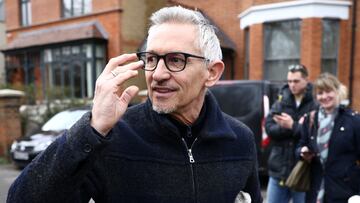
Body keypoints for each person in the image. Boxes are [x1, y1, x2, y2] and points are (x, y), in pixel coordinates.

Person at [7, 6, 262, 203]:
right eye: (151, 59)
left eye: (175, 60)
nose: (157, 73)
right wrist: (91, 128)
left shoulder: (239, 139)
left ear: (212, 73)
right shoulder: (112, 136)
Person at [298, 73, 360, 203]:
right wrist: (302, 151)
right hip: (315, 190)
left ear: (337, 91)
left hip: (345, 191)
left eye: (328, 91)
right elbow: (300, 144)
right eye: (320, 93)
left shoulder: (353, 120)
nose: (325, 97)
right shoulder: (310, 120)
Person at [265, 64, 317, 203]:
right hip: (278, 170)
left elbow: (314, 136)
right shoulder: (281, 100)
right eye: (289, 81)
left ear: (306, 80)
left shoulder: (315, 103)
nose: (292, 85)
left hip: (302, 171)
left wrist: (292, 125)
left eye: (296, 81)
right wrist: (291, 127)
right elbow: (269, 129)